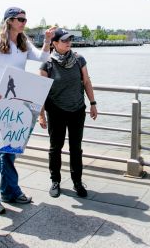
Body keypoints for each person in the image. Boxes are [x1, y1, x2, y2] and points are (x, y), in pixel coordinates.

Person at [0, 7, 56, 214]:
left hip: (16, 100)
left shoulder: (24, 43)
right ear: (9, 21)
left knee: (11, 150)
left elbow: (43, 58)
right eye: (20, 19)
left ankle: (9, 191)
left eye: (25, 19)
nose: (24, 22)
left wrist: (48, 40)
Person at [38, 28, 98, 198]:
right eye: (64, 40)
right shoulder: (47, 63)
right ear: (55, 43)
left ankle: (77, 182)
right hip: (56, 111)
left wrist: (93, 103)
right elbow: (41, 91)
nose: (68, 43)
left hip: (77, 110)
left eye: (69, 40)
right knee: (55, 148)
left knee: (76, 148)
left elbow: (86, 81)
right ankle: (55, 181)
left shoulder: (79, 59)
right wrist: (41, 115)